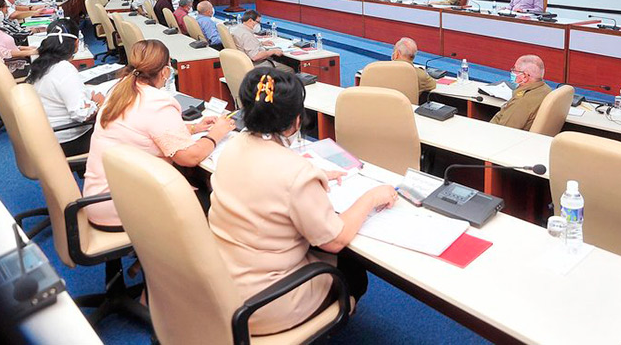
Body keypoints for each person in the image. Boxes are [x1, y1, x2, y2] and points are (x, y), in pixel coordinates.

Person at [208, 67, 397, 335]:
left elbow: (266, 179)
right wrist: (372, 197)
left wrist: (313, 177)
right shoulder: (296, 173)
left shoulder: (233, 147)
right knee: (353, 270)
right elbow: (334, 241)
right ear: (297, 120)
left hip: (221, 286)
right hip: (265, 304)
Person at [83, 40, 235, 230]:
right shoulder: (157, 102)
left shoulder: (120, 89)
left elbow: (143, 131)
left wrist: (195, 128)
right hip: (121, 207)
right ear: (165, 71)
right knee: (212, 198)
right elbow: (189, 157)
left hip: (101, 197)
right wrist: (216, 133)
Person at [27, 19, 102, 157]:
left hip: (47, 135)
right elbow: (82, 114)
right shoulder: (64, 69)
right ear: (76, 43)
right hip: (70, 139)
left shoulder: (39, 64)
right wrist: (98, 102)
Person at [491, 55, 551, 131]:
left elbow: (504, 131)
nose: (512, 72)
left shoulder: (521, 102)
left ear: (524, 77)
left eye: (515, 70)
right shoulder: (546, 89)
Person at [0, 0, 37, 76]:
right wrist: (30, 52)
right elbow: (1, 53)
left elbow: (7, 46)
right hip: (8, 71)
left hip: (16, 65)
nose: (0, 13)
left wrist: (27, 48)